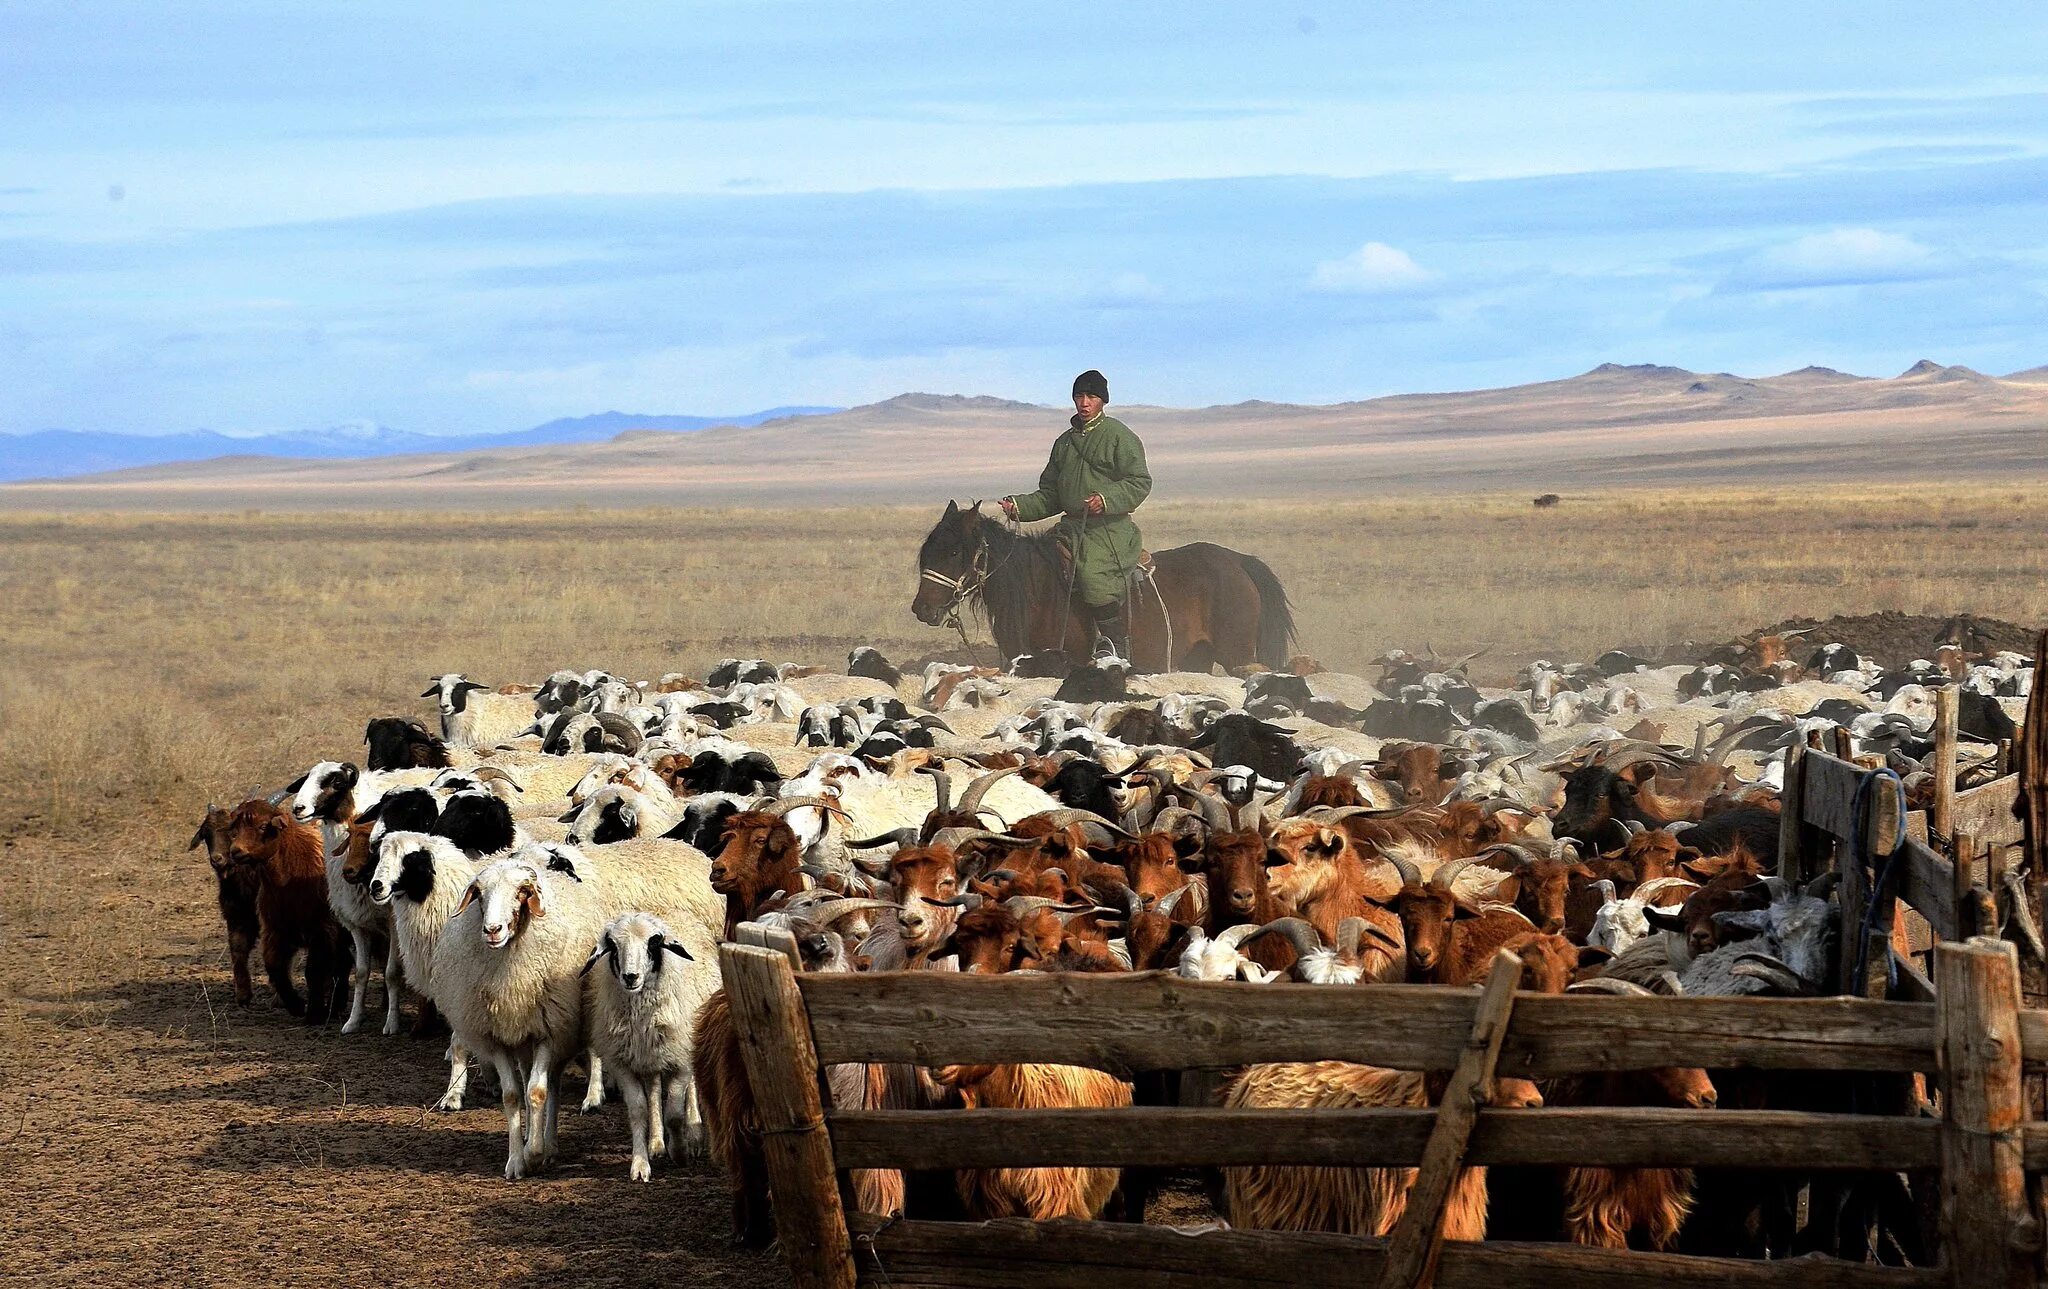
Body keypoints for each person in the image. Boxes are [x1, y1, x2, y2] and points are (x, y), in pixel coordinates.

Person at [998, 369, 1152, 661]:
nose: (1084, 402)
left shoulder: (1119, 436)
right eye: (1079, 395)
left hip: (1108, 529)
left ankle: (1117, 647)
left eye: (1091, 396)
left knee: (1093, 578)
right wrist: (1019, 506)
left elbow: (1140, 481)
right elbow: (1051, 495)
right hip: (1071, 528)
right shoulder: (1065, 443)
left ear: (1103, 401)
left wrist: (1106, 500)